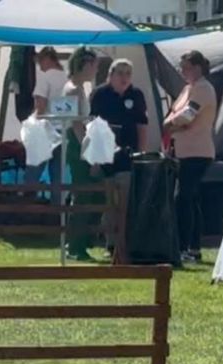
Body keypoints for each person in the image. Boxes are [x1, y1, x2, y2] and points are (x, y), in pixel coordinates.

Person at [89, 58, 148, 253]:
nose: (124, 78)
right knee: (109, 200)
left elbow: (142, 126)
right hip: (105, 154)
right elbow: (93, 125)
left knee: (125, 198)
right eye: (120, 73)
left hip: (128, 155)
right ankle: (110, 241)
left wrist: (142, 153)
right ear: (111, 75)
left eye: (128, 74)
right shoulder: (100, 94)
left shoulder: (136, 95)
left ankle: (123, 241)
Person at [164, 50, 216, 264]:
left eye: (185, 68)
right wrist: (172, 123)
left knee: (183, 198)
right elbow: (175, 113)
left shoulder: (203, 89)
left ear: (197, 68)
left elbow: (187, 116)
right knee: (190, 199)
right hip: (183, 150)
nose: (182, 72)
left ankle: (185, 246)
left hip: (198, 151)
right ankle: (193, 247)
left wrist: (170, 125)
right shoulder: (188, 89)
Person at [63, 46, 100, 261]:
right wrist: (87, 149)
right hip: (77, 144)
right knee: (82, 194)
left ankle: (78, 240)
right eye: (94, 65)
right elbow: (76, 125)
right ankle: (75, 245)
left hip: (78, 141)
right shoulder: (73, 90)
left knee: (83, 193)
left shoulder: (78, 88)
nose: (95, 70)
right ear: (85, 65)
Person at [25, 46, 65, 186]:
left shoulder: (45, 77)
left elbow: (40, 108)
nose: (40, 67)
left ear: (46, 59)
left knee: (33, 172)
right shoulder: (68, 79)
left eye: (40, 62)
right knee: (58, 177)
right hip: (65, 130)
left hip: (47, 131)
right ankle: (57, 206)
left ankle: (27, 204)